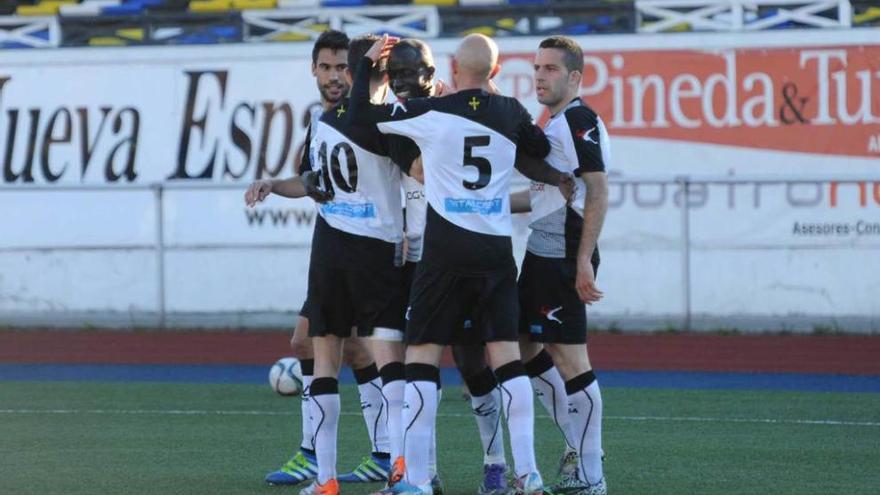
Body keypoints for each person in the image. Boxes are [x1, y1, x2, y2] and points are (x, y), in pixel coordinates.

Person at [350, 34, 573, 495]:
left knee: (422, 358)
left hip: (444, 254)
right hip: (494, 254)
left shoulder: (434, 113)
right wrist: (556, 177)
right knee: (506, 361)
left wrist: (369, 67)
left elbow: (362, 115)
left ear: (450, 71)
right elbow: (537, 151)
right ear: (494, 72)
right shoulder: (510, 110)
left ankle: (416, 480)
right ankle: (527, 474)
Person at [244, 30, 392, 487]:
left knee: (346, 346)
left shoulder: (373, 118)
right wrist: (274, 183)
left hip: (369, 251)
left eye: (343, 67)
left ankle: (374, 454)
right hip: (331, 248)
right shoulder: (323, 120)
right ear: (313, 69)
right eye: (326, 67)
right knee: (325, 344)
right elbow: (315, 183)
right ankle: (370, 454)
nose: (334, 76)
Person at [384, 38, 509, 495]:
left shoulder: (455, 103)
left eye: (406, 73)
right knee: (420, 364)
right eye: (390, 75)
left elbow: (425, 166)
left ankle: (495, 465)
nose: (398, 83)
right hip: (417, 256)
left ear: (432, 70)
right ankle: (424, 471)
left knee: (475, 363)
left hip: (462, 247)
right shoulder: (396, 116)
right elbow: (415, 171)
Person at [298, 33, 418, 495]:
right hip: (376, 251)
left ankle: (326, 481)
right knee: (391, 361)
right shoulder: (387, 122)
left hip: (329, 249)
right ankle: (401, 472)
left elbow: (311, 180)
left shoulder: (325, 119)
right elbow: (422, 175)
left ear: (351, 70)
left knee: (326, 361)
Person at [511, 35, 609, 495]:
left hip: (562, 258)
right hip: (538, 255)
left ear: (574, 77)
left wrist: (584, 260)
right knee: (526, 348)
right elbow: (543, 196)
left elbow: (598, 190)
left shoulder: (578, 119)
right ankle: (575, 446)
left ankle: (592, 475)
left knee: (571, 360)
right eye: (536, 67)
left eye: (550, 68)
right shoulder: (554, 122)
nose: (539, 76)